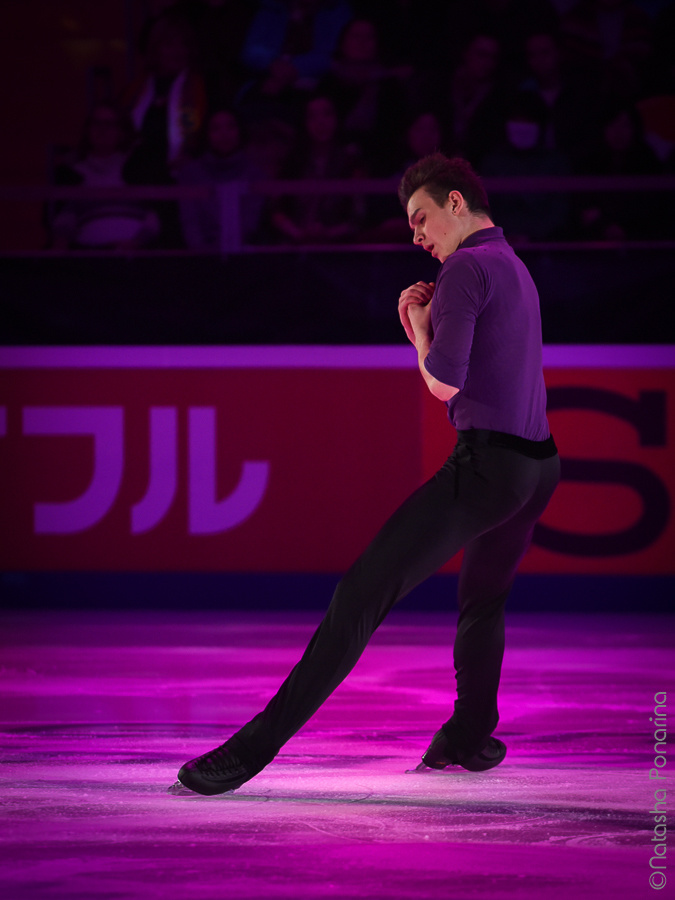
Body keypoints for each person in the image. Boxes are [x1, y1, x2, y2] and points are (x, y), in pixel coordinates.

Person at [175, 153, 560, 796]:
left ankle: (248, 753)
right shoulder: (511, 264)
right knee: (483, 599)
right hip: (539, 468)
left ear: (457, 203)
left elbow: (444, 381)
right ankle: (469, 734)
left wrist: (416, 327)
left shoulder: (466, 267)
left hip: (488, 469)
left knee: (359, 596)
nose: (416, 236)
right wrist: (437, 322)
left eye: (421, 218)